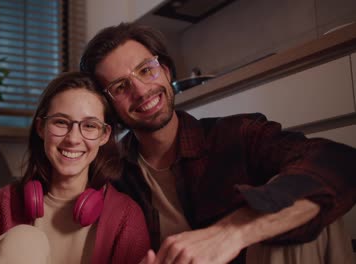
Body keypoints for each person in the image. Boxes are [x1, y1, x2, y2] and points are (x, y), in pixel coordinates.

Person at [80, 22, 356, 263]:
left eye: (145, 70)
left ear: (165, 71)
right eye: (120, 87)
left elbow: (340, 161)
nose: (141, 90)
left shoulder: (236, 135)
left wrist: (232, 232)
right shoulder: (113, 173)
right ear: (109, 108)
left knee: (303, 207)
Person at [0, 72, 150, 263]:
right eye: (61, 122)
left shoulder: (126, 217)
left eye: (89, 126)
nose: (73, 139)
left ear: (104, 135)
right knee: (26, 239)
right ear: (41, 128)